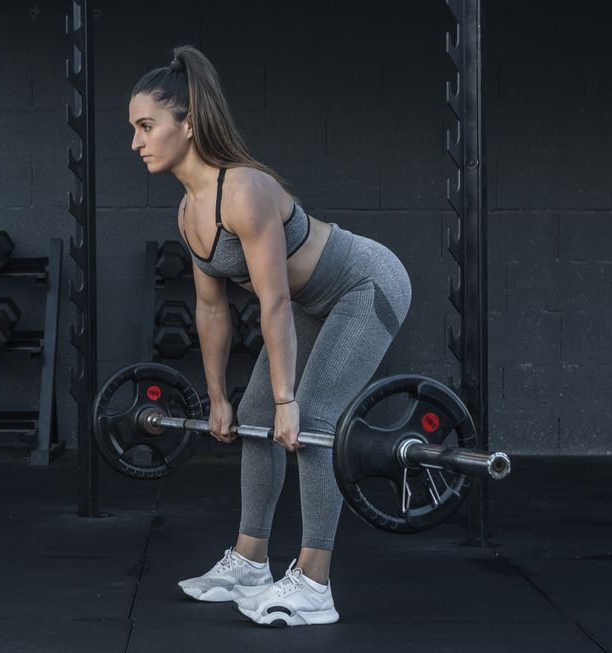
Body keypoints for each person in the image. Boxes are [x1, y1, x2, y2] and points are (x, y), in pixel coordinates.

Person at [127, 46, 412, 627]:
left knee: (311, 421)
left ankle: (314, 582)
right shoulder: (188, 213)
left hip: (366, 285)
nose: (136, 142)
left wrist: (290, 401)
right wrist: (218, 399)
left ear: (188, 123)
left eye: (147, 126)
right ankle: (250, 561)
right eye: (134, 129)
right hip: (311, 303)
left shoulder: (245, 191)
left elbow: (274, 300)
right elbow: (212, 312)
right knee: (256, 414)